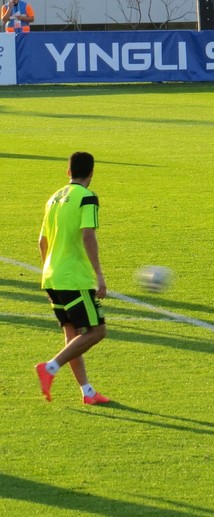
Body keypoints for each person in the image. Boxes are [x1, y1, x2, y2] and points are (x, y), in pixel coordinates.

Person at [35, 152, 111, 405]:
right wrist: (99, 273)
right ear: (91, 173)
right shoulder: (87, 197)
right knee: (97, 331)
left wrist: (49, 270)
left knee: (72, 333)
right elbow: (88, 235)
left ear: (68, 172)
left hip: (51, 275)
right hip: (73, 278)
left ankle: (87, 392)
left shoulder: (54, 198)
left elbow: (42, 241)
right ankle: (51, 367)